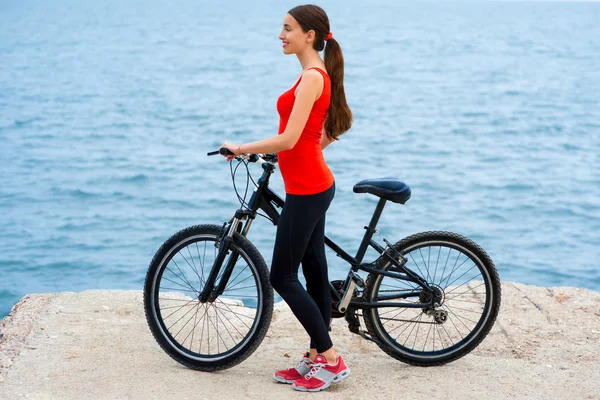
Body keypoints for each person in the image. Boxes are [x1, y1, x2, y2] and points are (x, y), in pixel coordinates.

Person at [220, 4, 353, 392]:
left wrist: (242, 147)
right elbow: (315, 135)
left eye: (288, 28)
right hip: (307, 184)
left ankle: (331, 359)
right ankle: (315, 357)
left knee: (281, 275)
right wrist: (294, 153)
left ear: (309, 35)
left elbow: (291, 139)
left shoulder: (313, 76)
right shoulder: (312, 76)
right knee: (314, 273)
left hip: (309, 188)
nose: (281, 35)